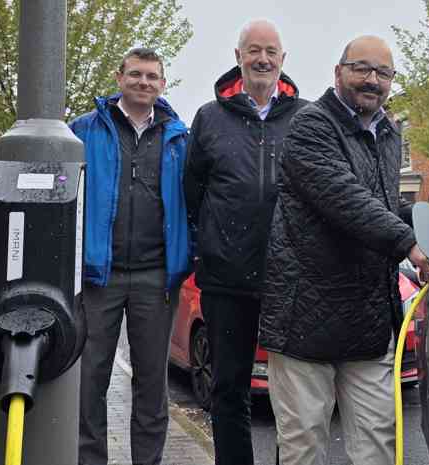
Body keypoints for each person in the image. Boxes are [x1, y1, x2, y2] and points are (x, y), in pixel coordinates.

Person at [259, 35, 429, 465]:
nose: (372, 80)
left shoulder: (388, 133)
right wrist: (408, 243)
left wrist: (421, 218)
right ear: (338, 73)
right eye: (361, 69)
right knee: (303, 449)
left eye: (383, 73)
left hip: (368, 322)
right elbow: (342, 197)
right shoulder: (310, 126)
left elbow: (373, 201)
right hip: (304, 321)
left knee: (377, 446)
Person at [184, 19, 307, 465]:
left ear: (282, 60)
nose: (262, 59)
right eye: (253, 50)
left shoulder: (306, 117)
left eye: (271, 51)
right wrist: (211, 245)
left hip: (289, 278)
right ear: (238, 56)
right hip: (226, 279)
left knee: (292, 394)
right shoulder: (209, 117)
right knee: (229, 389)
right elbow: (192, 193)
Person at [69, 47, 191, 465]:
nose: (144, 82)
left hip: (157, 278)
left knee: (152, 384)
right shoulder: (84, 131)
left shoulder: (180, 137)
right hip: (98, 276)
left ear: (163, 83)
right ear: (119, 77)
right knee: (90, 382)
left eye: (152, 76)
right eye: (136, 74)